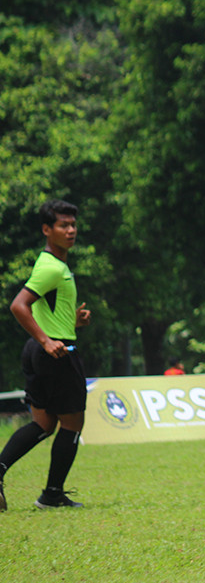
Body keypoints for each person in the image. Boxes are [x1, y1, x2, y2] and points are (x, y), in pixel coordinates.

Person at [0, 200, 92, 511]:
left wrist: (73, 322)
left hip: (38, 350)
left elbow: (43, 309)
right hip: (55, 353)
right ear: (46, 229)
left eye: (73, 225)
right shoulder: (53, 267)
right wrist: (47, 340)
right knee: (72, 423)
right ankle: (52, 494)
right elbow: (18, 305)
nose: (70, 231)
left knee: (42, 423)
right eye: (63, 226)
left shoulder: (51, 264)